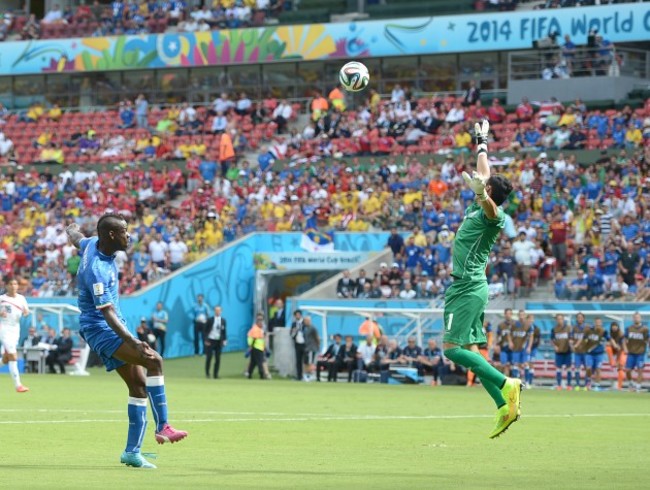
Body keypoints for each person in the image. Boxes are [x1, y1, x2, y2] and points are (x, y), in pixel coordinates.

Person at [66, 215, 187, 469]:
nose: (128, 235)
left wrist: (72, 229)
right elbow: (106, 312)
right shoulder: (96, 269)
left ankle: (132, 453)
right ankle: (163, 425)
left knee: (139, 386)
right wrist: (132, 340)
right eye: (124, 231)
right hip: (101, 328)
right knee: (154, 359)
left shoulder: (90, 244)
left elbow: (78, 239)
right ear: (111, 235)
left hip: (103, 328)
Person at [441, 120, 521, 439]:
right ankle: (504, 406)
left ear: (489, 194)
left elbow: (489, 205)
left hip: (466, 287)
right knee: (472, 350)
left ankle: (506, 383)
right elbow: (484, 172)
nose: (480, 184)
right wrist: (482, 142)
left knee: (451, 348)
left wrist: (483, 195)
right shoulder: (482, 199)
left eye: (483, 187)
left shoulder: (494, 216)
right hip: (470, 286)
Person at [0, 278, 30, 392]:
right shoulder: (2, 299)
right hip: (4, 328)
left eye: (15, 283)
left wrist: (26, 313)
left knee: (7, 359)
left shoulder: (21, 298)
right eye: (11, 283)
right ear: (6, 285)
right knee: (13, 356)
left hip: (15, 329)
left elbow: (26, 311)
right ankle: (18, 385)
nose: (13, 286)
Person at [576, 317, 609, 391]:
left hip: (599, 354)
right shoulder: (589, 330)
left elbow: (608, 340)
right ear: (595, 323)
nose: (598, 324)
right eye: (597, 322)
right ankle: (588, 381)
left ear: (601, 323)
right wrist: (581, 344)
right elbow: (583, 338)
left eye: (599, 322)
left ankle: (597, 385)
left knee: (598, 369)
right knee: (588, 368)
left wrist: (605, 343)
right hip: (589, 353)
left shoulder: (604, 332)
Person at [623, 312, 648, 392]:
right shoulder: (629, 328)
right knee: (627, 370)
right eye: (635, 317)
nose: (636, 319)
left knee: (640, 370)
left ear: (640, 318)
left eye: (638, 317)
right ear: (633, 319)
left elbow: (648, 340)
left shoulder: (645, 329)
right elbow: (624, 340)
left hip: (640, 353)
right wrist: (625, 348)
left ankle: (638, 387)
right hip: (631, 353)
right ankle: (631, 383)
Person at [204, 305, 227, 379]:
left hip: (218, 341)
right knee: (209, 357)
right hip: (211, 340)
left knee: (218, 358)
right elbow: (205, 331)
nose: (217, 311)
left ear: (221, 311)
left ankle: (215, 374)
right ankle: (207, 373)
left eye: (219, 310)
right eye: (216, 310)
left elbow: (224, 331)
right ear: (214, 311)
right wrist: (206, 340)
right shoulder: (210, 320)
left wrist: (224, 340)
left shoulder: (223, 320)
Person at [551, 314, 572, 390]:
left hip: (567, 351)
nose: (559, 320)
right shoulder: (554, 329)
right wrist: (555, 346)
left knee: (569, 368)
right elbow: (552, 339)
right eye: (558, 319)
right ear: (556, 320)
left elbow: (571, 338)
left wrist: (571, 343)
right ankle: (559, 385)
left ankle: (569, 385)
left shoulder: (568, 328)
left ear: (563, 319)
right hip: (559, 352)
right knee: (558, 368)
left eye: (561, 319)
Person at [509, 312, 532, 382]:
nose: (521, 316)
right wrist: (510, 342)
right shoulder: (514, 324)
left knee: (526, 364)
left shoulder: (528, 325)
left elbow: (531, 336)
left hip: (524, 348)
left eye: (523, 315)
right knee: (515, 364)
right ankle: (516, 382)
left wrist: (529, 347)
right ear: (518, 316)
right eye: (520, 315)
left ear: (525, 316)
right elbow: (509, 334)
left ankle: (527, 382)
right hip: (516, 347)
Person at [571, 313, 589, 391]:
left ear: (583, 318)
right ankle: (577, 385)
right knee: (577, 368)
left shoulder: (587, 328)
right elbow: (571, 338)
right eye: (578, 317)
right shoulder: (574, 328)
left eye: (581, 317)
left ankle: (586, 385)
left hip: (585, 351)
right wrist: (572, 346)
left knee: (586, 368)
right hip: (577, 352)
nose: (580, 319)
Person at [606, 321, 626, 390]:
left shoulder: (621, 335)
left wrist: (618, 358)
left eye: (615, 327)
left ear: (618, 327)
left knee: (620, 367)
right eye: (613, 327)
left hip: (621, 352)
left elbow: (622, 346)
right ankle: (612, 363)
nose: (614, 328)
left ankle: (619, 386)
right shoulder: (609, 335)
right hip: (615, 350)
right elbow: (609, 342)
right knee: (608, 347)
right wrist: (613, 344)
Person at [494, 309, 514, 376]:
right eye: (507, 314)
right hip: (503, 348)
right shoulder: (501, 325)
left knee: (513, 366)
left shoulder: (516, 324)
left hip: (514, 349)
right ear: (505, 315)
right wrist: (496, 345)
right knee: (504, 364)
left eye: (510, 314)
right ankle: (506, 381)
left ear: (512, 315)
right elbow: (498, 335)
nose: (508, 315)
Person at [246, 313, 266, 379]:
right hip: (257, 348)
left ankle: (249, 374)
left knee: (253, 362)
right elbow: (254, 338)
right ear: (257, 323)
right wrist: (251, 347)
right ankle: (261, 375)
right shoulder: (256, 329)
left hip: (257, 347)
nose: (261, 324)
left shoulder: (257, 328)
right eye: (260, 322)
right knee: (260, 362)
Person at [302, 316, 320, 382]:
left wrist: (317, 346)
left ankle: (309, 375)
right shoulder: (305, 328)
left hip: (312, 348)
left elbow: (317, 337)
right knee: (306, 362)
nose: (305, 322)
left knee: (311, 362)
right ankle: (306, 375)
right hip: (307, 348)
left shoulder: (313, 328)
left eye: (306, 320)